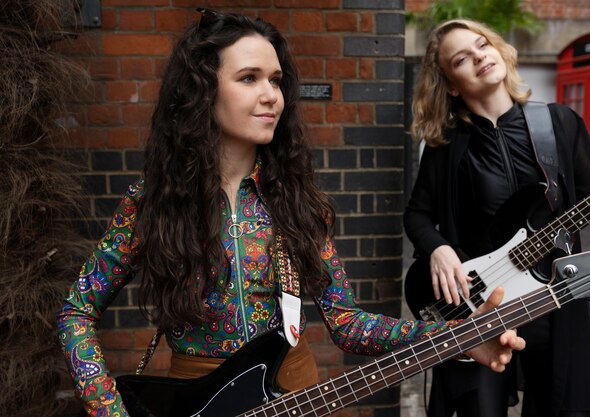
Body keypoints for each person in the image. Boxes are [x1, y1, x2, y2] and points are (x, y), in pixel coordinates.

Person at [56, 10, 525, 417]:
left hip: (293, 395)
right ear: (202, 91)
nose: (271, 95)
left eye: (276, 80)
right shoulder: (153, 200)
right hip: (195, 402)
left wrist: (455, 337)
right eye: (248, 78)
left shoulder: (297, 202)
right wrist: (107, 409)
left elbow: (347, 323)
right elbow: (76, 311)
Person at [405, 18, 590, 417]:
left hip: (557, 297)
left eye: (482, 45)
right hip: (484, 303)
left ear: (498, 49)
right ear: (451, 85)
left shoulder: (560, 122)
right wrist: (437, 248)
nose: (480, 57)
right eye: (462, 58)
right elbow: (418, 215)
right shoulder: (447, 146)